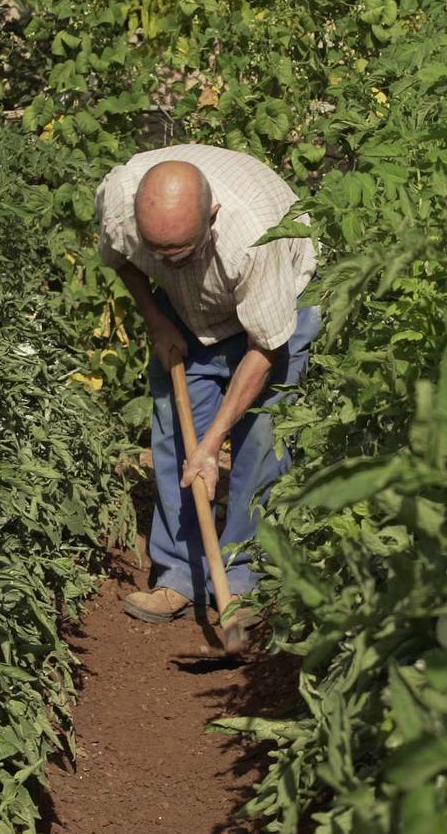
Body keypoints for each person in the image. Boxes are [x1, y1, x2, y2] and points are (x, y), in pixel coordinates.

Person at [94, 144, 321, 625]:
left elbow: (265, 348)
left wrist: (215, 440)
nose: (170, 263)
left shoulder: (257, 237)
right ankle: (180, 575)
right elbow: (121, 260)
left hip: (272, 312)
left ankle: (241, 581)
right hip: (184, 309)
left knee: (261, 442)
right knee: (178, 437)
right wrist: (157, 319)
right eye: (161, 253)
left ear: (212, 216)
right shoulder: (119, 200)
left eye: (181, 251)